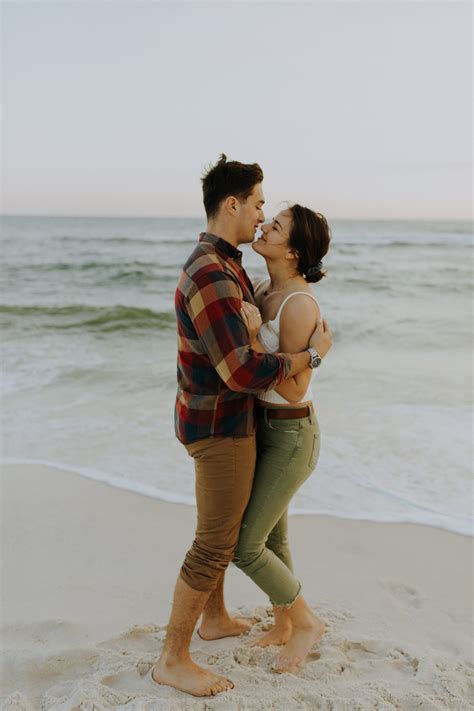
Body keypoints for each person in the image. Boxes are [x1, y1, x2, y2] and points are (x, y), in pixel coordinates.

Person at [151, 155, 332, 697]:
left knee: (243, 533)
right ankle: (173, 658)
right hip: (223, 426)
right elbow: (242, 370)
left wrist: (277, 342)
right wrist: (312, 358)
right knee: (217, 544)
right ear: (232, 204)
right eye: (257, 205)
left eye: (268, 214)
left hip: (240, 422)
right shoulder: (213, 270)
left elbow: (256, 354)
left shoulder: (229, 266)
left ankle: (219, 619)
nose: (260, 216)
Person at [235, 204, 331, 674]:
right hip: (264, 428)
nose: (263, 226)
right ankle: (284, 625)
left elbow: (294, 386)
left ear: (292, 252)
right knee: (275, 537)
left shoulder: (299, 305)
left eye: (275, 226)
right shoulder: (260, 289)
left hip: (293, 433)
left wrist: (258, 341)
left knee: (244, 546)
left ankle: (308, 622)